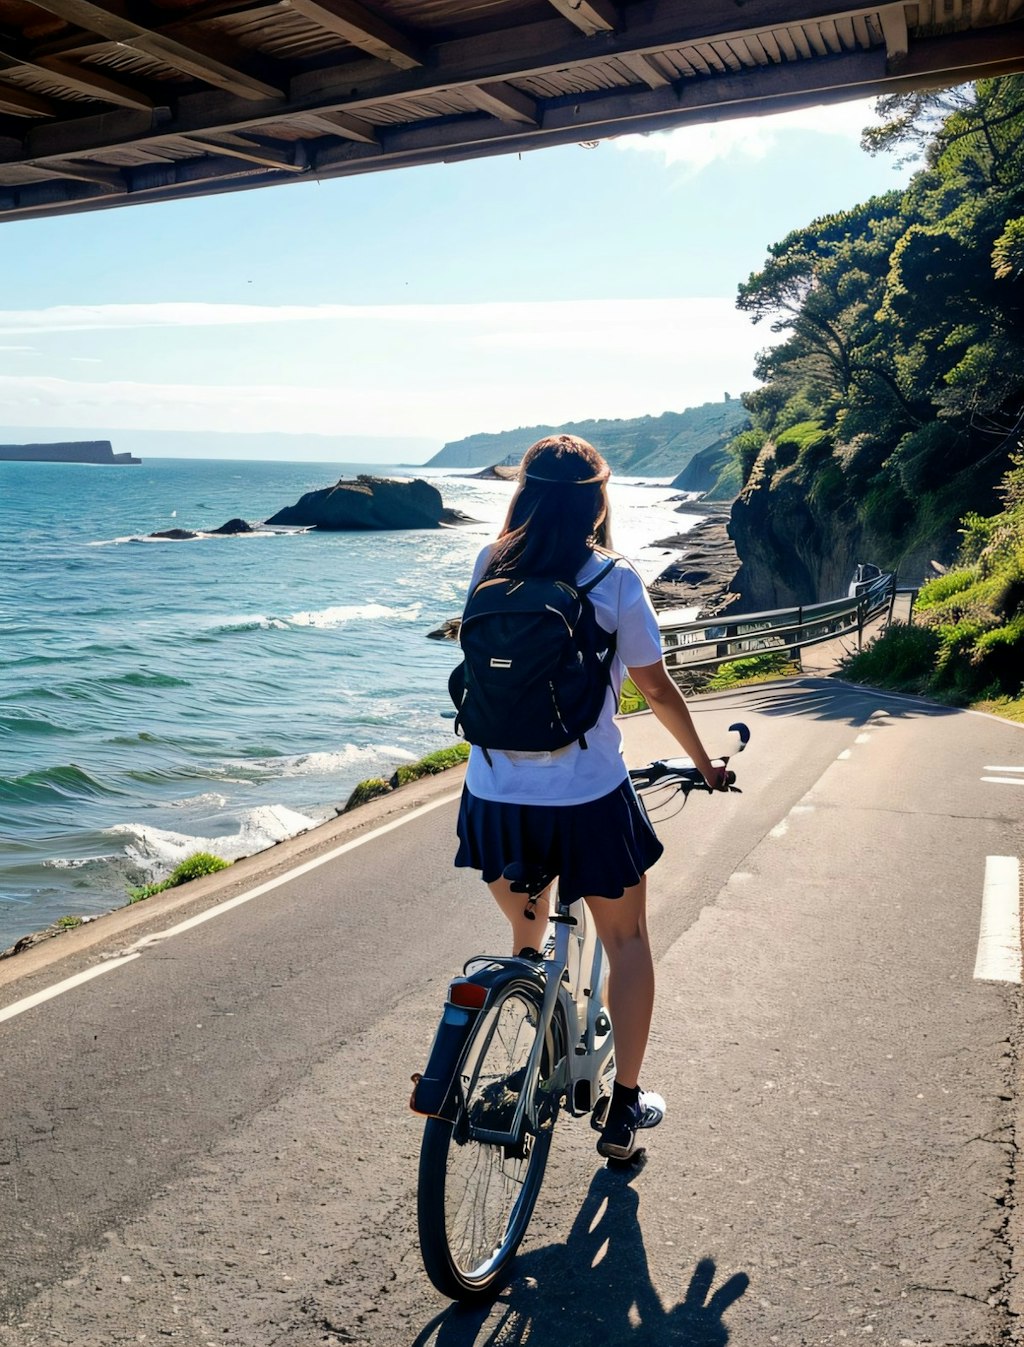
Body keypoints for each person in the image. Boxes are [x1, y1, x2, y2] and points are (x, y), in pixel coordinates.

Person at [453, 433, 727, 1161]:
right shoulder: (614, 579)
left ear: (525, 492)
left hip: (492, 796)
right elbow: (656, 688)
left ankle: (530, 1019)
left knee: (528, 932)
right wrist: (704, 764)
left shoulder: (490, 563)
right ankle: (623, 1110)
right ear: (597, 498)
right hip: (585, 799)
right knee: (627, 940)